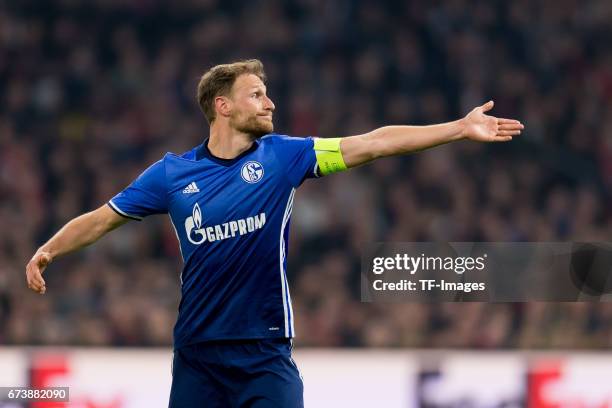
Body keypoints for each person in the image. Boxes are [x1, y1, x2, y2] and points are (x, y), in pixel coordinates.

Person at [25, 59, 523, 407]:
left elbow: (372, 144)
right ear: (222, 106)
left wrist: (457, 128)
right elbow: (103, 217)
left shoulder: (284, 157)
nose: (271, 102)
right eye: (257, 94)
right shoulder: (171, 176)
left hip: (265, 354)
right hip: (197, 356)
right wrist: (48, 250)